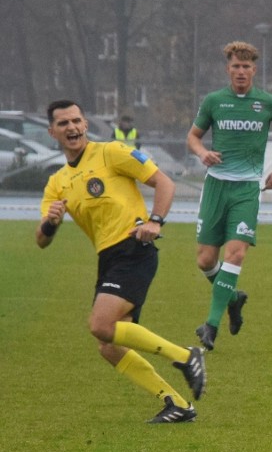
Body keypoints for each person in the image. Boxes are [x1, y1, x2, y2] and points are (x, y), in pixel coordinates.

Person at [37, 100, 206, 423]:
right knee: (109, 345)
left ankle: (186, 356)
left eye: (76, 121)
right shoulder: (57, 182)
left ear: (85, 124)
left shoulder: (111, 152)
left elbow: (164, 183)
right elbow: (41, 239)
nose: (71, 127)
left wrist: (155, 221)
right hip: (108, 259)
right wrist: (51, 222)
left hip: (133, 248)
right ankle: (177, 404)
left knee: (100, 325)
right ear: (52, 132)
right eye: (63, 124)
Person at [187, 41, 272, 350]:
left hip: (247, 189)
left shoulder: (267, 102)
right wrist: (202, 153)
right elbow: (193, 137)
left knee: (235, 254)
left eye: (246, 67)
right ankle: (233, 299)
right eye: (236, 66)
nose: (241, 71)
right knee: (206, 259)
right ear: (228, 69)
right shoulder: (214, 102)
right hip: (215, 187)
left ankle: (210, 326)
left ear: (254, 70)